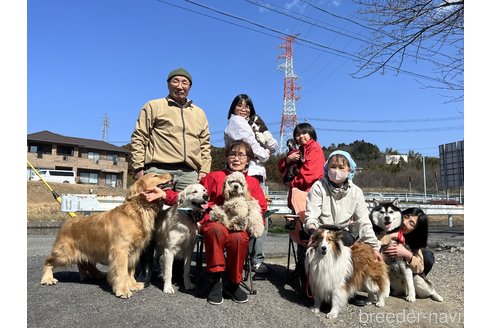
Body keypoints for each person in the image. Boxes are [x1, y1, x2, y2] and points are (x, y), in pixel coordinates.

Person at [129, 67, 212, 287]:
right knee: (148, 220)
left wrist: (204, 170)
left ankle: (176, 271)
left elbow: (205, 144)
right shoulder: (154, 106)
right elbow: (139, 136)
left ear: (190, 86)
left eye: (185, 82)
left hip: (189, 173)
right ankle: (144, 268)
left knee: (187, 220)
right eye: (175, 81)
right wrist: (139, 168)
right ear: (168, 84)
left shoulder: (199, 113)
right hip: (158, 169)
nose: (180, 86)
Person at [199, 140, 268, 305]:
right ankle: (215, 281)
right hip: (216, 220)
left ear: (248, 159)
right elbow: (198, 198)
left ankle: (233, 282)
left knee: (238, 238)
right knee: (215, 230)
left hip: (239, 223)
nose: (236, 158)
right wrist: (200, 220)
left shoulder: (252, 183)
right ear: (227, 157)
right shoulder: (214, 177)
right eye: (232, 154)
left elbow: (261, 207)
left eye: (241, 155)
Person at [224, 94, 278, 275]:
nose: (243, 109)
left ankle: (251, 258)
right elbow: (257, 150)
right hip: (245, 176)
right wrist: (266, 152)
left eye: (247, 106)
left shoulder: (249, 124)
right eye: (239, 105)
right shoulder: (237, 122)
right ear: (233, 108)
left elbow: (267, 146)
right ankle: (252, 259)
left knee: (256, 214)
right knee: (251, 214)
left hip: (255, 174)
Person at [277, 123, 325, 280]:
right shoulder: (300, 151)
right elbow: (281, 167)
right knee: (300, 231)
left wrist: (291, 182)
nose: (301, 136)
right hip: (299, 197)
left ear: (311, 134)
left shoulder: (315, 149)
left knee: (306, 231)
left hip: (309, 197)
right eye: (298, 134)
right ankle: (302, 267)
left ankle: (307, 270)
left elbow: (310, 174)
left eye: (304, 133)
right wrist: (288, 159)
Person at [380, 207, 435, 276]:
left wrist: (406, 254)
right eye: (405, 217)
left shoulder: (411, 240)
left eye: (411, 224)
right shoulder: (383, 225)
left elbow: (420, 267)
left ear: (415, 230)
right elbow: (369, 243)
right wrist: (391, 236)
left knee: (427, 257)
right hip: (379, 271)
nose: (405, 222)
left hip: (399, 276)